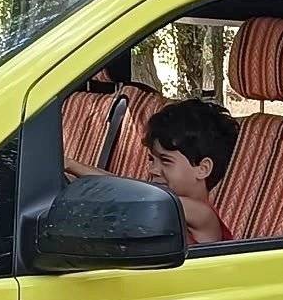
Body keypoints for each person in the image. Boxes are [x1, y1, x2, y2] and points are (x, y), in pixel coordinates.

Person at [66, 98, 239, 245]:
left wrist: (74, 168)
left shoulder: (201, 214)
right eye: (151, 160)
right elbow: (121, 185)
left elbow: (126, 193)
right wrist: (70, 165)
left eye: (165, 161)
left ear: (202, 169)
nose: (152, 169)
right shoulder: (166, 202)